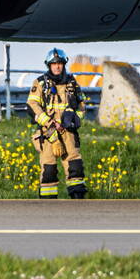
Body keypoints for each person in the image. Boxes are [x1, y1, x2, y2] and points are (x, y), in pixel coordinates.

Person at [27, 48, 87, 199]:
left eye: (60, 63)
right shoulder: (40, 83)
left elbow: (81, 104)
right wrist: (49, 123)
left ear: (64, 64)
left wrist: (74, 119)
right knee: (49, 169)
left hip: (68, 133)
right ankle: (48, 207)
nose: (57, 66)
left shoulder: (72, 83)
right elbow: (32, 106)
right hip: (49, 134)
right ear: (49, 65)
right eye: (54, 64)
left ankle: (78, 201)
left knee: (75, 167)